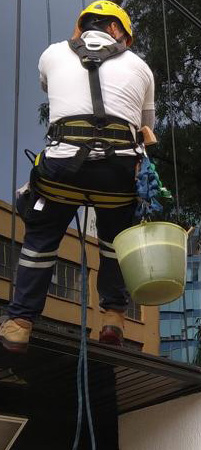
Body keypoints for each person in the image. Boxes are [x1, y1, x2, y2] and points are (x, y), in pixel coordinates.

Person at [0, 1, 154, 353]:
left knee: (41, 238)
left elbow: (47, 87)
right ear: (119, 31)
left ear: (81, 27)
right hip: (117, 174)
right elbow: (147, 129)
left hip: (60, 169)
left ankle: (19, 323)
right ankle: (113, 318)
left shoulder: (53, 53)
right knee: (116, 242)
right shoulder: (140, 67)